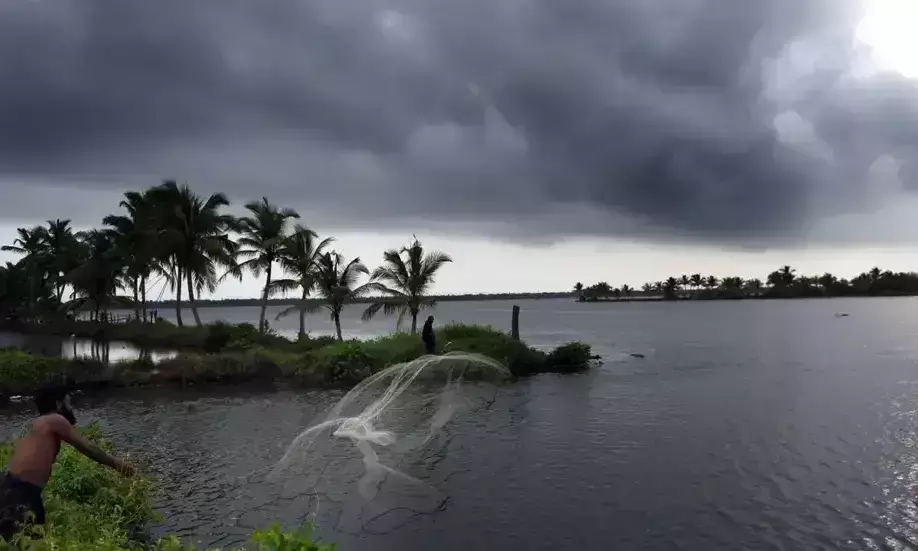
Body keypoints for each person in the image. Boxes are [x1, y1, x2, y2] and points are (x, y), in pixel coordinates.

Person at [0, 386, 136, 540]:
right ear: (58, 404)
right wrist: (117, 464)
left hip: (10, 484)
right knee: (31, 541)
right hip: (21, 491)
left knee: (24, 539)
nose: (70, 407)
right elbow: (88, 448)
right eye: (68, 402)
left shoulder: (39, 423)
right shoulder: (55, 419)